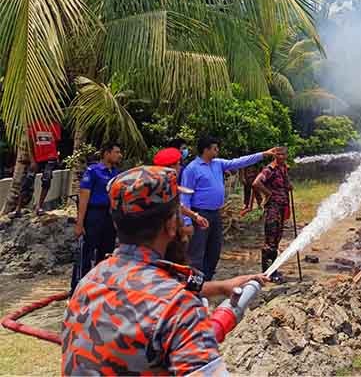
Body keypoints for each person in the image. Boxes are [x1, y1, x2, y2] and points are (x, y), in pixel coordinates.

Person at [62, 166, 268, 375]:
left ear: (117, 224)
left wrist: (221, 287)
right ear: (171, 225)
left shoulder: (88, 284)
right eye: (179, 215)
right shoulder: (178, 308)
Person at [181, 137, 279, 280]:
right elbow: (185, 196)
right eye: (215, 148)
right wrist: (188, 221)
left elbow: (239, 162)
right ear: (206, 149)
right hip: (199, 214)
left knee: (214, 249)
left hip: (215, 214)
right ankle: (194, 283)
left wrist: (263, 154)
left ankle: (207, 279)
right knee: (197, 250)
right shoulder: (192, 169)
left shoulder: (218, 164)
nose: (217, 151)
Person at [71, 142, 122, 293]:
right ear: (107, 153)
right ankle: (77, 290)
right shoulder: (93, 171)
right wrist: (80, 223)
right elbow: (84, 197)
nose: (120, 155)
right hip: (94, 214)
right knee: (86, 252)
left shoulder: (116, 174)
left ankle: (99, 289)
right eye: (116, 152)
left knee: (106, 253)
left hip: (108, 215)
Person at [253, 147, 292, 282]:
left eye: (283, 154)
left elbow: (285, 185)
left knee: (277, 240)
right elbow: (256, 183)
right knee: (270, 241)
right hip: (273, 210)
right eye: (278, 154)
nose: (281, 156)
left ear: (286, 155)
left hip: (281, 208)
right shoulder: (270, 169)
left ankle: (274, 270)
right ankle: (267, 273)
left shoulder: (283, 169)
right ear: (274, 155)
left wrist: (288, 185)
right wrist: (268, 194)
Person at [153, 147, 209, 240]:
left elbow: (178, 205)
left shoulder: (158, 182)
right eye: (178, 164)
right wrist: (184, 227)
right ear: (170, 167)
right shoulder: (163, 187)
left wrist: (195, 217)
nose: (180, 167)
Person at [14, 121, 62, 217]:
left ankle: (39, 206)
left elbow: (57, 142)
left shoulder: (55, 124)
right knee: (27, 181)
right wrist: (32, 160)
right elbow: (30, 143)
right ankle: (17, 209)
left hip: (50, 158)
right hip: (37, 158)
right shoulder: (34, 123)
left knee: (47, 179)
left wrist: (57, 156)